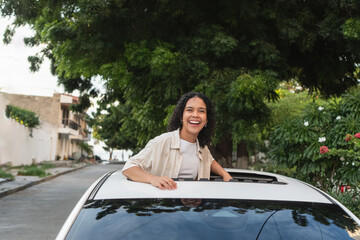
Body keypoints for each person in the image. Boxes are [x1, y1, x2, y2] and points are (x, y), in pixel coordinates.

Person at [122, 92, 232, 190]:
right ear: (181, 116)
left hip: (193, 208)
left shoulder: (202, 147)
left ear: (207, 119)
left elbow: (210, 161)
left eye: (201, 111)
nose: (195, 115)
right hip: (165, 208)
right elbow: (129, 167)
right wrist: (153, 179)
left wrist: (225, 174)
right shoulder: (162, 142)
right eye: (189, 110)